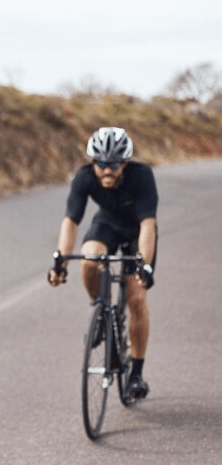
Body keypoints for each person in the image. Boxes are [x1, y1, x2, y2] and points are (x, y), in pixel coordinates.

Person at [48, 127, 158, 400]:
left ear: (126, 162)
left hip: (136, 233)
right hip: (107, 224)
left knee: (136, 299)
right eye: (101, 164)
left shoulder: (142, 176)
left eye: (115, 164)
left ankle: (136, 375)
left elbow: (148, 224)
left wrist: (145, 264)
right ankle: (101, 309)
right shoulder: (84, 177)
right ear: (92, 161)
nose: (107, 170)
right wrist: (60, 259)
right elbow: (70, 221)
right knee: (89, 260)